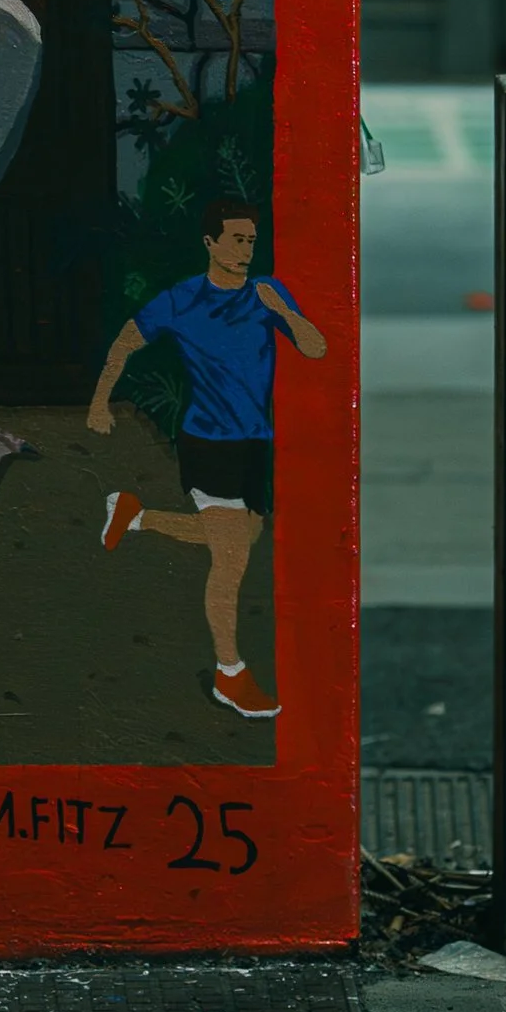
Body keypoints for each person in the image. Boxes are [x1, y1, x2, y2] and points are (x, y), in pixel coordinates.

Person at [90, 196, 327, 721]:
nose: (245, 250)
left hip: (254, 443)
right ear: (210, 243)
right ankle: (229, 674)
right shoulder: (182, 300)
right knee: (231, 559)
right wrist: (99, 401)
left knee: (245, 534)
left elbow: (316, 348)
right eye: (236, 239)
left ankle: (137, 516)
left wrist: (283, 310)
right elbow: (124, 343)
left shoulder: (266, 293)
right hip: (208, 441)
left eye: (251, 241)